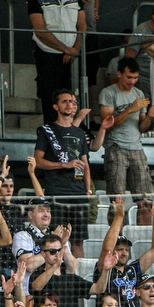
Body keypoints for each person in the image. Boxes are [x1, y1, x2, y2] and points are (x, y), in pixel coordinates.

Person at [33, 89, 112, 258]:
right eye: (65, 101)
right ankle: (56, 274)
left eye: (73, 102)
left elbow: (85, 163)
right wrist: (64, 165)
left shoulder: (80, 133)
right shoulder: (46, 131)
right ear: (56, 106)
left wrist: (88, 190)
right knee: (55, 237)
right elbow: (38, 161)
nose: (70, 104)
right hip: (57, 191)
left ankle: (78, 279)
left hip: (78, 193)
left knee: (78, 240)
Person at [99, 56, 154, 203]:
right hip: (115, 147)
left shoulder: (138, 94)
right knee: (117, 200)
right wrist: (131, 109)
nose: (132, 81)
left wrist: (149, 117)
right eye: (129, 77)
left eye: (135, 78)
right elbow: (107, 124)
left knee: (145, 199)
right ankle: (115, 226)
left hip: (137, 147)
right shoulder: (108, 93)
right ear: (119, 74)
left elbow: (142, 127)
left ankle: (144, 226)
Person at [28, 0, 85, 124]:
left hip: (72, 56)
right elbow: (40, 30)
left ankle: (71, 130)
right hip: (47, 55)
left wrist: (75, 49)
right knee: (50, 97)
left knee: (73, 96)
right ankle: (51, 132)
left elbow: (82, 25)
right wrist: (66, 49)